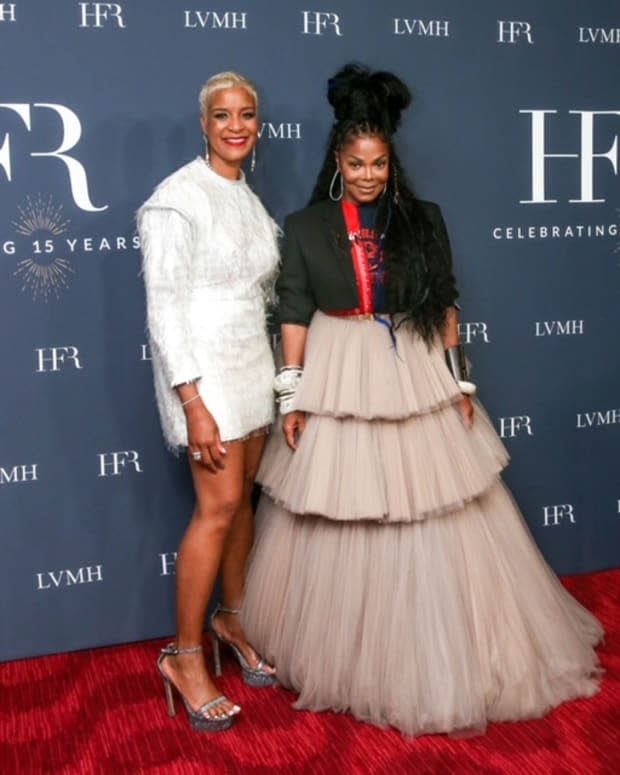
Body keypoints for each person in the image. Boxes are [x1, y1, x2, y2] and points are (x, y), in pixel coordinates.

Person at [241, 64, 603, 737]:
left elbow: (445, 307)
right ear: (338, 162)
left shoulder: (424, 220)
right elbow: (292, 309)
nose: (369, 175)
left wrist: (460, 383)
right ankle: (349, 652)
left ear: (391, 163)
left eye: (378, 163)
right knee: (343, 512)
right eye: (356, 163)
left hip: (413, 372)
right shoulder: (308, 224)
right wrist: (292, 393)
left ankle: (434, 646)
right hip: (337, 372)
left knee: (429, 505)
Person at [138, 71, 278, 733]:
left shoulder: (245, 194)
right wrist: (192, 400)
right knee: (216, 508)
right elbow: (164, 311)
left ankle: (234, 617)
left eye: (246, 115)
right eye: (222, 115)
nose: (235, 126)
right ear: (203, 123)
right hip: (206, 378)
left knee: (243, 497)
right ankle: (185, 656)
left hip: (253, 365)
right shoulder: (176, 199)